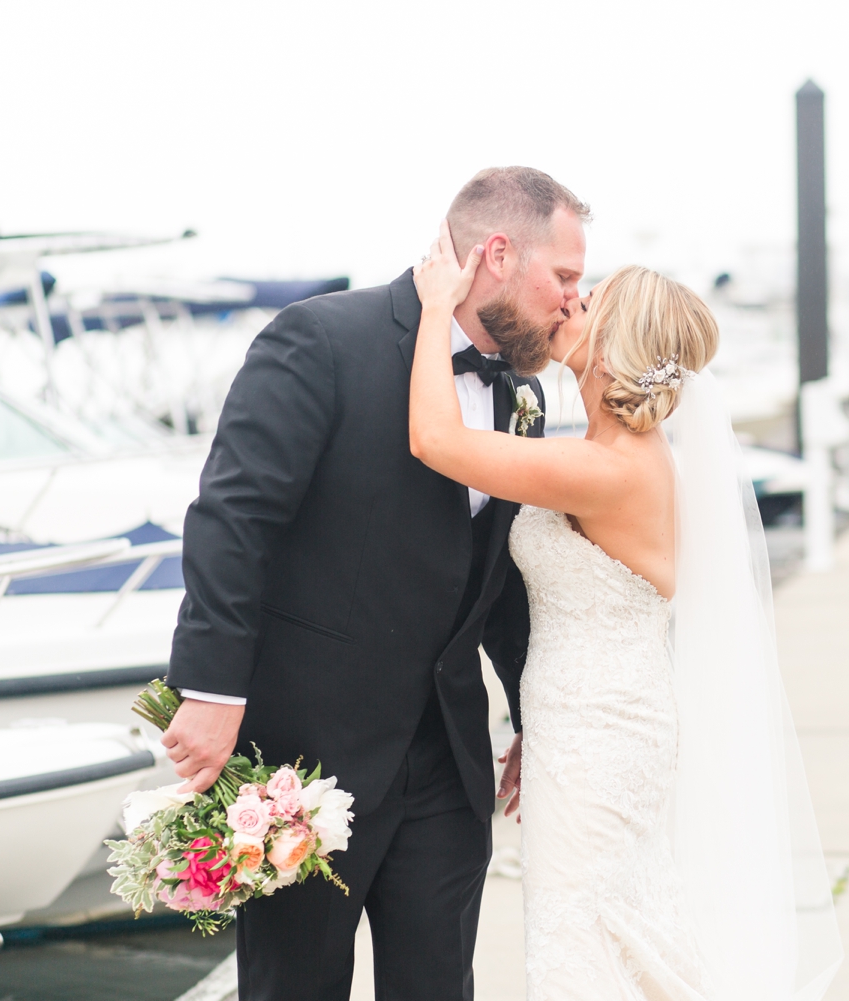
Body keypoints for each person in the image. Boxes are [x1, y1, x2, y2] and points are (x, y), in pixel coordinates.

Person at [161, 166, 589, 1001]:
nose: (574, 300)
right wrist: (211, 687)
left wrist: (536, 717)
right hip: (306, 759)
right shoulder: (319, 339)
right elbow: (233, 516)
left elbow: (501, 580)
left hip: (448, 762)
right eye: (564, 276)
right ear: (497, 254)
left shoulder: (523, 393)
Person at [410, 229, 842, 999]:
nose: (571, 299)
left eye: (592, 298)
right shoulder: (610, 454)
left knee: (583, 941)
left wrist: (437, 303)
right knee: (616, 937)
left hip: (601, 740)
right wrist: (535, 724)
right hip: (587, 725)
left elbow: (435, 439)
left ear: (614, 344)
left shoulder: (612, 469)